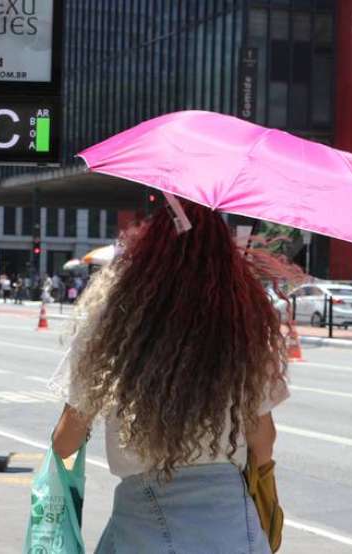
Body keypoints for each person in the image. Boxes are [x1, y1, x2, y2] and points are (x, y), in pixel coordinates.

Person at [50, 202, 287, 552]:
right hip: (234, 527)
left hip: (144, 522)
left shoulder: (113, 319)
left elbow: (66, 441)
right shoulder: (242, 327)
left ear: (146, 253)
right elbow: (262, 438)